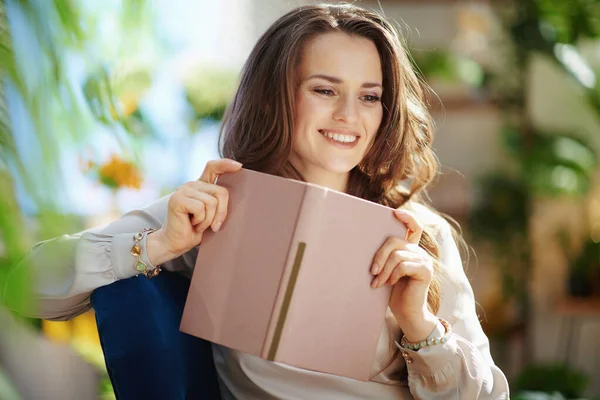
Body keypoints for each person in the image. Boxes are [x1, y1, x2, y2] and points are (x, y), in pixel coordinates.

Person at [6, 3, 510, 399]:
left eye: (370, 96)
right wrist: (159, 244)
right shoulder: (217, 210)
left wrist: (420, 325)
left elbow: (487, 397)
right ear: (277, 96)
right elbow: (25, 288)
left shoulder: (417, 232)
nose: (349, 116)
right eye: (324, 90)